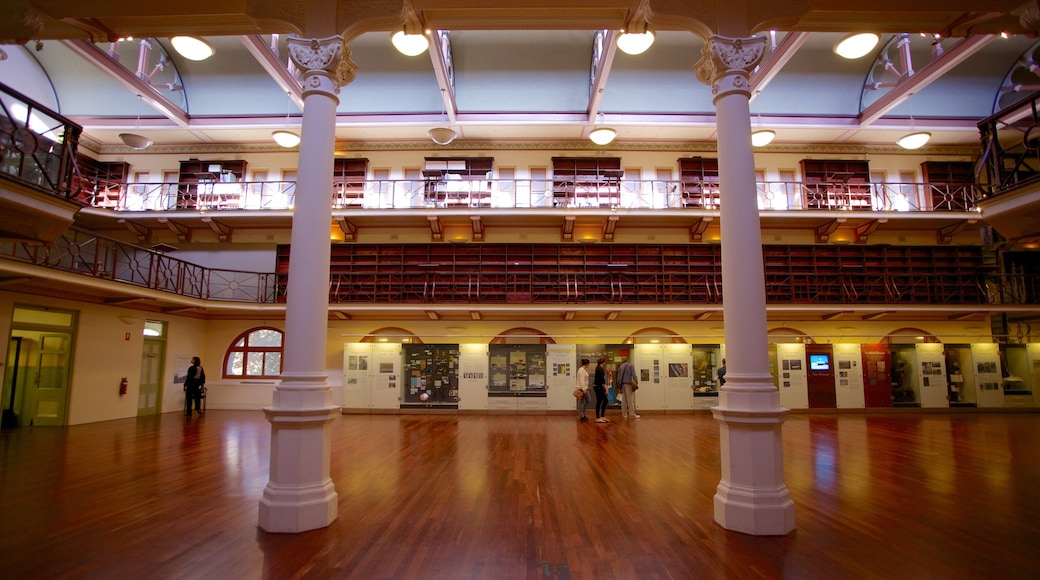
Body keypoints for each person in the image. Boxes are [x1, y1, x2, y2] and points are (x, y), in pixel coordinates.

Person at [593, 356, 610, 423]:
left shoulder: (599, 368)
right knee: (603, 401)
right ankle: (598, 417)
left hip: (598, 387)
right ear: (604, 362)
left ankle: (601, 416)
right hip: (599, 387)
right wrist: (606, 389)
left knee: (601, 401)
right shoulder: (600, 369)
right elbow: (602, 381)